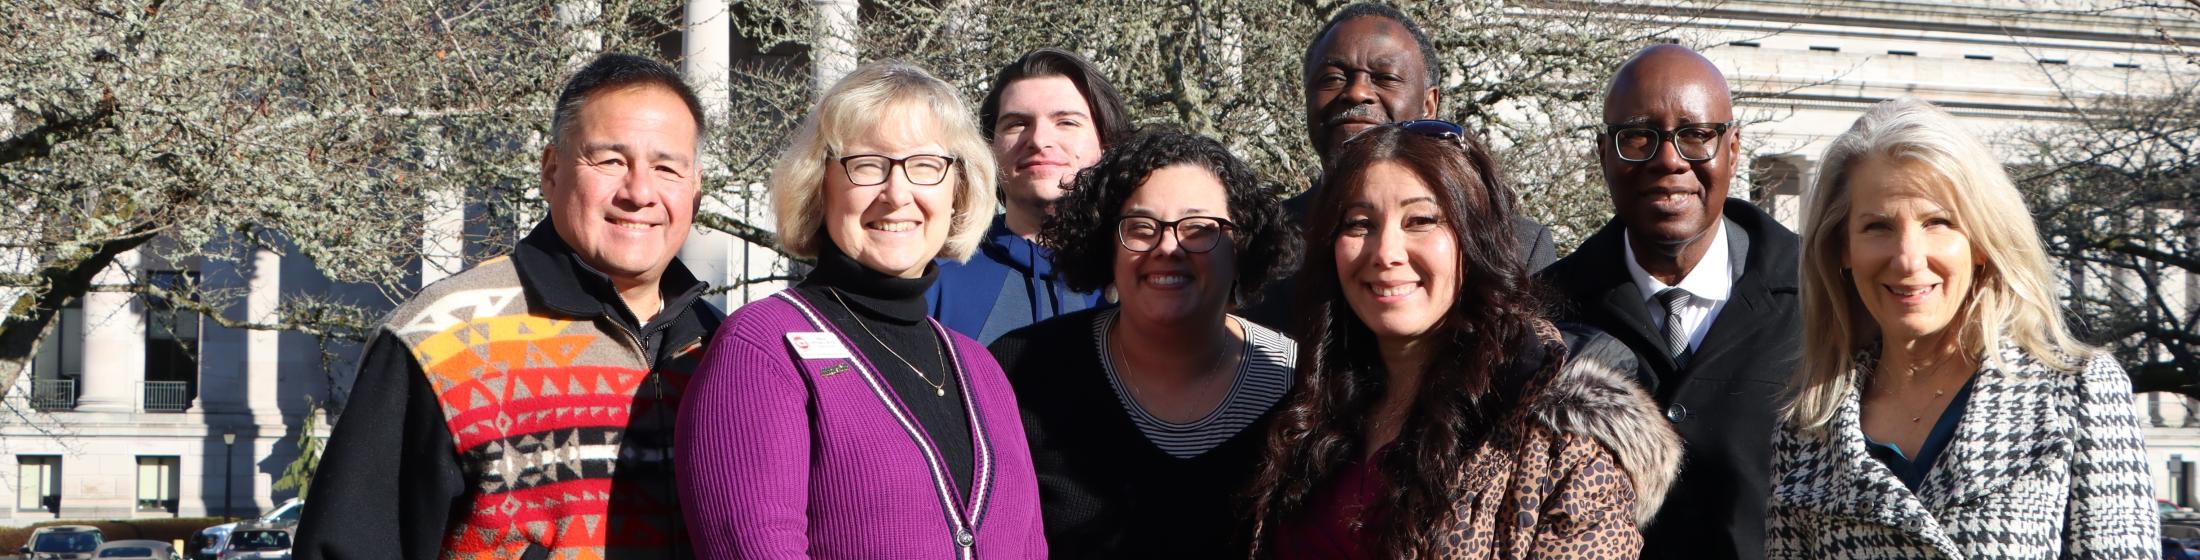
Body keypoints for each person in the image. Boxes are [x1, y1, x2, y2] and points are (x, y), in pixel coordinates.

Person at [296, 54, 721, 559]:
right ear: (551, 171)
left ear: (694, 191)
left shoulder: (724, 349)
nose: (640, 192)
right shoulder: (437, 338)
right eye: (610, 161)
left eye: (666, 168)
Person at [1246, 122, 1680, 559]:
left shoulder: (1560, 448)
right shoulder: (1306, 411)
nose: (1386, 252)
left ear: (1474, 241)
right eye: (1360, 223)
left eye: (1420, 220)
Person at [674, 61, 1045, 558]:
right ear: (820, 185)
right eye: (867, 164)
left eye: (926, 165)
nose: (897, 194)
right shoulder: (763, 347)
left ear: (957, 190)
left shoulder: (982, 371)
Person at [1766, 97, 2157, 557]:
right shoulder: (1808, 426)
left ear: (1981, 242)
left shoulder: (2076, 392)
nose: (1908, 259)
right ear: (1842, 250)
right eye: (1877, 227)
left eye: (1938, 222)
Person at [1535, 44, 1797, 560]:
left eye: (1696, 135)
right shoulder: (1544, 317)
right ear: (1603, 151)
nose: (1669, 160)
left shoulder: (1822, 305)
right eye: (1638, 137)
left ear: (1734, 148)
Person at [987, 128, 1298, 558]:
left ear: (1241, 247)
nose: (1168, 247)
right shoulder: (1023, 370)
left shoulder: (1302, 388)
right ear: (1104, 247)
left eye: (1199, 229)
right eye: (1140, 227)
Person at [1246, 2, 1555, 331]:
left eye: (1385, 78)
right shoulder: (1258, 242)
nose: (1357, 92)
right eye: (1333, 78)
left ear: (1429, 104)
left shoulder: (1515, 244)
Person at [926, 48, 1126, 343]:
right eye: (1017, 123)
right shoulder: (938, 277)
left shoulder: (1137, 272)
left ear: (1106, 144)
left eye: (1066, 122)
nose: (1038, 140)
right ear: (989, 148)